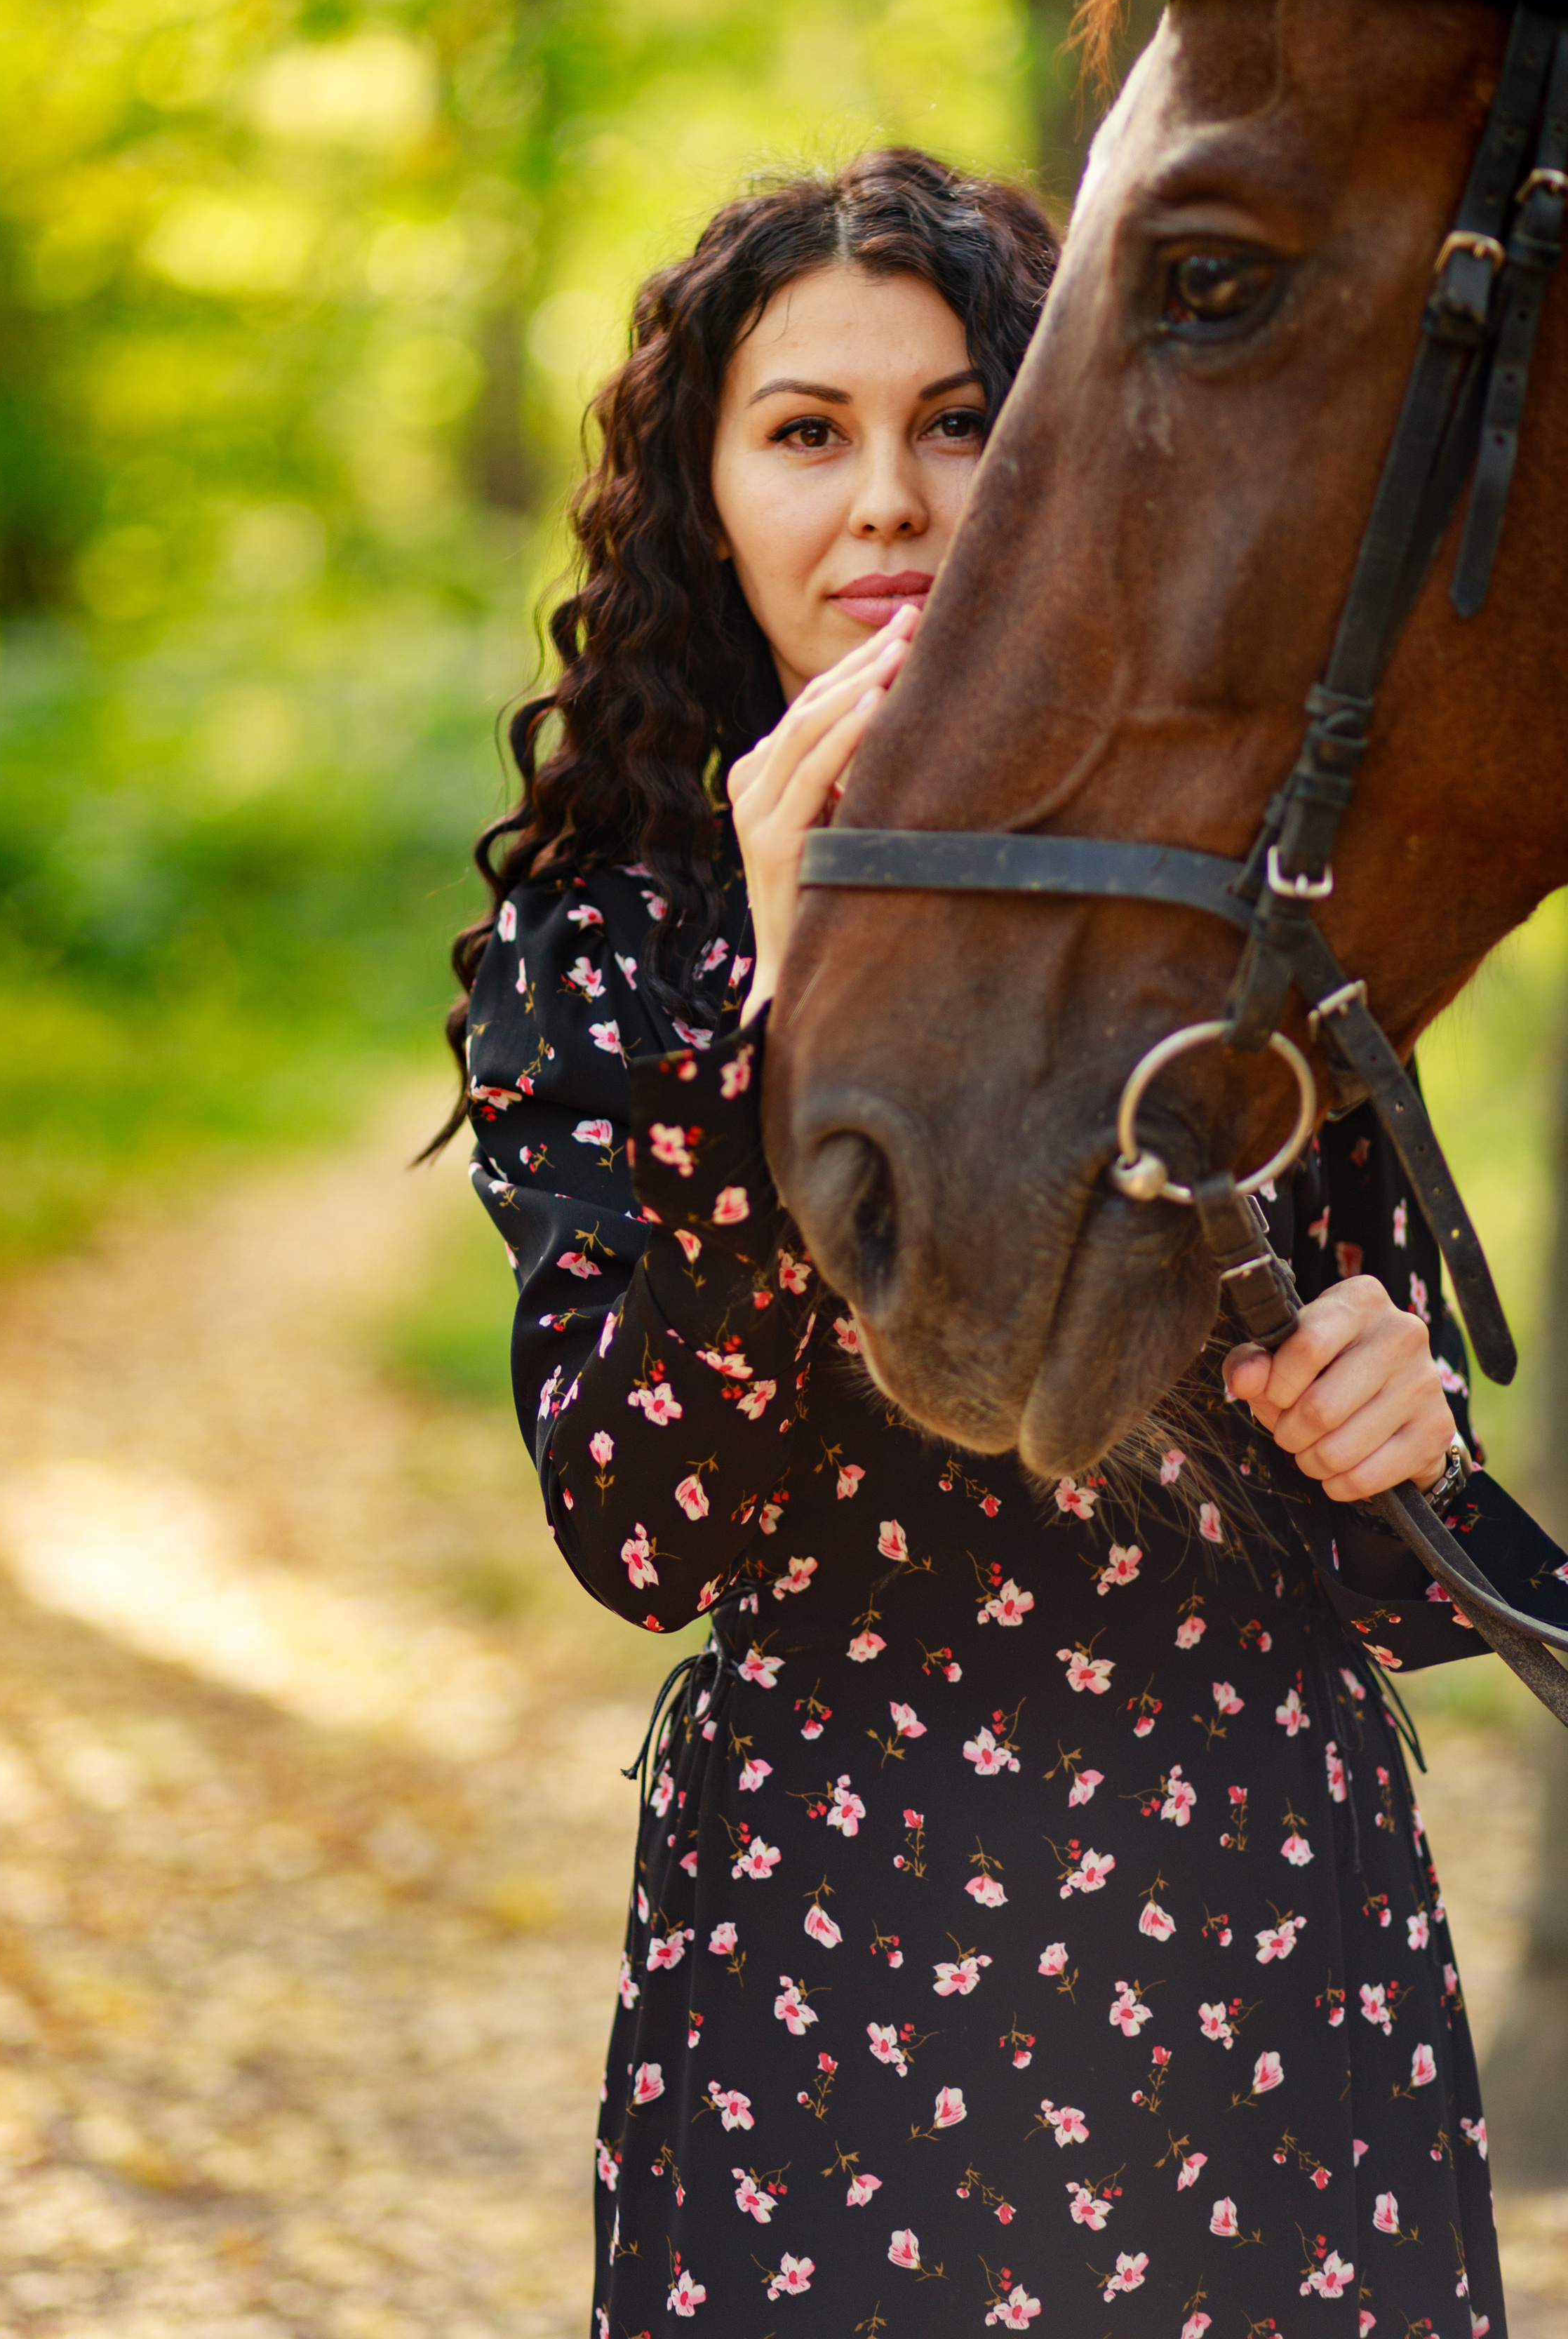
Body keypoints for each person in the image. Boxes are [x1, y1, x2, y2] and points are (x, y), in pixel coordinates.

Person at [441, 149, 1556, 2335]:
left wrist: (1397, 1429)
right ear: (706, 502)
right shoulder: (615, 949)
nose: (890, 501)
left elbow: (1393, 1563)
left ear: (1066, 464)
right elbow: (646, 1530)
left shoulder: (1229, 898)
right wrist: (783, 1011)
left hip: (1257, 1937)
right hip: (828, 1950)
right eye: (805, 432)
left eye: (962, 423)